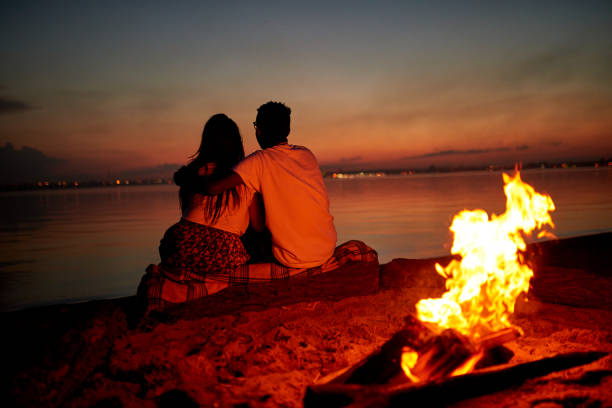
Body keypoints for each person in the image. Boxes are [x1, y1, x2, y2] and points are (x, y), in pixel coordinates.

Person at [184, 101, 337, 269]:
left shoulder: (257, 162)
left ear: (259, 131)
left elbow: (213, 188)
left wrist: (184, 177)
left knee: (255, 232)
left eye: (256, 125)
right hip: (326, 250)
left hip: (294, 258)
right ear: (288, 130)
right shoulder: (306, 154)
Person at [160, 113, 264, 278]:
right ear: (237, 143)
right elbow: (258, 227)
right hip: (222, 254)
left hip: (179, 244)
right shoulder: (244, 177)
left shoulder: (193, 173)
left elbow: (186, 210)